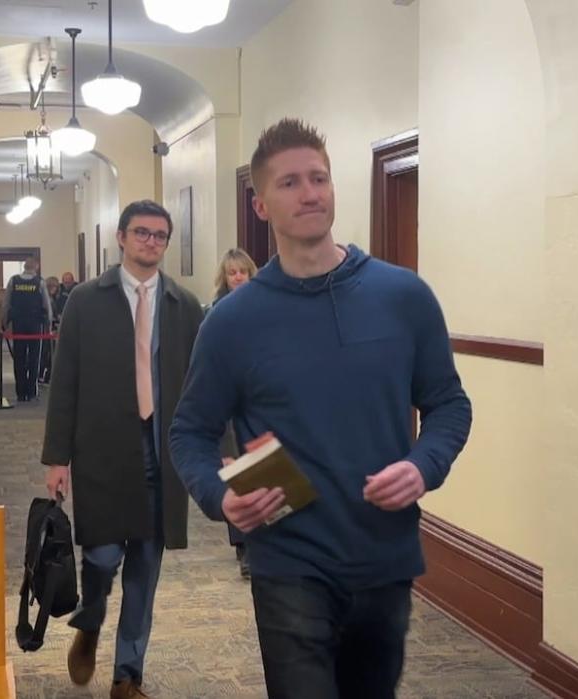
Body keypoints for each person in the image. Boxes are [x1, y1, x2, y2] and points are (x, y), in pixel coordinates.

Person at [170, 119, 472, 699]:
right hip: (288, 558)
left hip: (383, 554)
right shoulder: (232, 321)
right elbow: (190, 432)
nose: (309, 193)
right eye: (289, 183)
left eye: (319, 178)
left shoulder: (403, 296)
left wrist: (423, 465)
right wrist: (221, 495)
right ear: (260, 205)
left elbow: (448, 405)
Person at [42, 200, 204, 699]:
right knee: (102, 557)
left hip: (161, 452)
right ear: (121, 237)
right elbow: (64, 381)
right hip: (103, 450)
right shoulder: (87, 301)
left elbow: (200, 383)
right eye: (141, 233)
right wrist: (56, 457)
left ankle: (127, 674)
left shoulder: (184, 305)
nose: (150, 242)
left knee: (145, 570)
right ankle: (89, 622)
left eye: (160, 236)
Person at [208, 247, 260, 578]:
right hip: (229, 405)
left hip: (260, 403)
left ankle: (263, 542)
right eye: (232, 272)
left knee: (262, 471)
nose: (238, 277)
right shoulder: (216, 313)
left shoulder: (267, 306)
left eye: (242, 271)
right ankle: (244, 548)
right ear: (224, 278)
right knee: (236, 473)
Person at [1, 257, 51, 402]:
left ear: (24, 266)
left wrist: (4, 323)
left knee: (19, 357)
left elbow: (6, 303)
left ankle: (21, 392)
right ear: (36, 267)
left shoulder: (13, 281)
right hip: (36, 324)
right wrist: (48, 322)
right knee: (35, 357)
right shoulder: (39, 282)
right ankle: (31, 391)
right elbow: (46, 304)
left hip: (18, 323)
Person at [39, 276, 64, 385]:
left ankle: (43, 376)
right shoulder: (49, 299)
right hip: (47, 330)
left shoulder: (48, 298)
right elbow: (49, 315)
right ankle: (45, 377)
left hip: (47, 329)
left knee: (47, 355)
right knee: (47, 355)